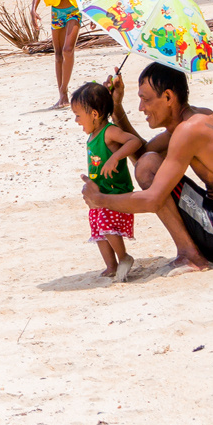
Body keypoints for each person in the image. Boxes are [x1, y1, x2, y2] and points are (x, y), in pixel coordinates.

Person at [81, 62, 213, 272]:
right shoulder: (194, 119)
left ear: (168, 97)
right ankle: (190, 252)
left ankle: (190, 256)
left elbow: (152, 198)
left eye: (145, 100)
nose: (141, 108)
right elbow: (144, 154)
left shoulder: (189, 130)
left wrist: (100, 200)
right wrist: (116, 108)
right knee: (149, 163)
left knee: (148, 167)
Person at [70, 81, 143, 282]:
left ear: (94, 114)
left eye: (78, 115)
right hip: (100, 192)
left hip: (114, 193)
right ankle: (111, 265)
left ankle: (124, 257)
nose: (76, 120)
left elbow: (134, 141)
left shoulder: (109, 132)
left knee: (107, 225)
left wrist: (115, 157)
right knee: (98, 229)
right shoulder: (92, 135)